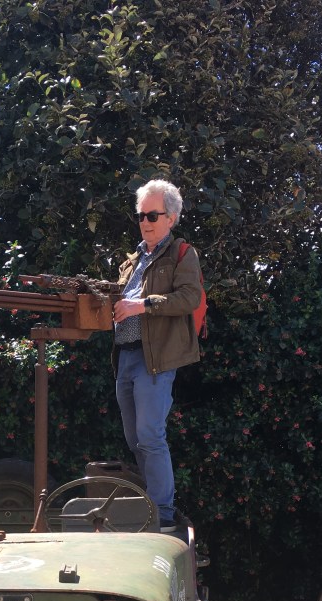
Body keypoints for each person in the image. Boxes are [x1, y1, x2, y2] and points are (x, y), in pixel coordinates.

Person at [112, 179, 203, 536]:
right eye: (141, 215)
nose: (145, 222)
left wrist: (143, 304)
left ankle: (162, 515)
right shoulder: (132, 260)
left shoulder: (182, 253)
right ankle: (153, 505)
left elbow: (189, 298)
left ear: (171, 218)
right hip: (126, 356)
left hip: (156, 359)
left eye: (153, 215)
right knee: (135, 438)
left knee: (150, 435)